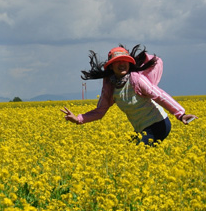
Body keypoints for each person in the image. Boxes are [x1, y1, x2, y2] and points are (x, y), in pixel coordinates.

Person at [61, 45, 197, 145]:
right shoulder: (110, 86)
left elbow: (159, 95)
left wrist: (180, 114)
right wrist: (78, 119)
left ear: (129, 63)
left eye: (124, 60)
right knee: (128, 154)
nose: (121, 64)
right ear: (111, 67)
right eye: (117, 62)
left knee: (135, 154)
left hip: (158, 124)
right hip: (141, 128)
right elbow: (100, 111)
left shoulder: (136, 79)